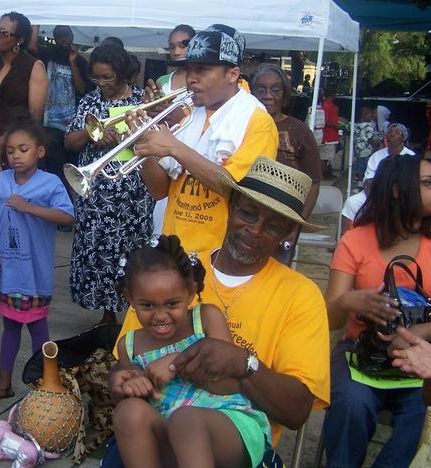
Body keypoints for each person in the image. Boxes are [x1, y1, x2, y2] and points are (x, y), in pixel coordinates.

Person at [103, 158, 330, 467]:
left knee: (187, 422)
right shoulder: (175, 271)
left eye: (273, 225)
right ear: (231, 204)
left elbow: (297, 412)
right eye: (248, 212)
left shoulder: (300, 295)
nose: (254, 230)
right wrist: (121, 378)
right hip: (157, 429)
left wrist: (243, 363)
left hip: (227, 442)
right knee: (128, 417)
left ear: (288, 232)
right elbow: (131, 353)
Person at [112, 234, 271, 468]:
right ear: (130, 298)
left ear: (190, 292)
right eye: (147, 305)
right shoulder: (129, 344)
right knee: (128, 412)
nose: (160, 315)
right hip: (169, 434)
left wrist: (178, 362)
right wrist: (127, 384)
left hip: (227, 426)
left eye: (172, 304)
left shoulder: (206, 318)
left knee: (185, 421)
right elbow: (130, 399)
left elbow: (230, 385)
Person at [322, 154, 431, 467]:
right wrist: (348, 301)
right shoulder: (355, 241)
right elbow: (330, 318)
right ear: (397, 189)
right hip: (359, 352)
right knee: (351, 404)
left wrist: (417, 333)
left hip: (421, 358)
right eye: (427, 183)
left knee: (420, 417)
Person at [133, 24, 278, 257]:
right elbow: (159, 191)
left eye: (202, 70)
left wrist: (173, 147)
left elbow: (236, 190)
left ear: (232, 74)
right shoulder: (191, 114)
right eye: (189, 70)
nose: (191, 79)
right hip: (174, 248)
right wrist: (144, 149)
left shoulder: (258, 122)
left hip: (218, 255)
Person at [0, 122, 74, 405]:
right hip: (7, 273)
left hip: (35, 275)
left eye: (23, 149)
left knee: (39, 329)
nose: (16, 156)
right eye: (10, 151)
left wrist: (29, 208)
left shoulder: (50, 183)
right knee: (10, 328)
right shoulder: (1, 182)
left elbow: (67, 217)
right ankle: (4, 384)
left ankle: (45, 386)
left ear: (39, 152)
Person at [65, 44, 154, 326]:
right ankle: (107, 314)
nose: (101, 84)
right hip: (98, 194)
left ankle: (133, 312)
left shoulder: (142, 100)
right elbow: (69, 141)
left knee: (131, 252)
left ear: (121, 73)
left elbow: (156, 138)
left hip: (134, 194)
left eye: (107, 77)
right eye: (97, 78)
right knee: (101, 252)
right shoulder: (90, 102)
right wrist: (92, 135)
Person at [0, 11, 49, 316]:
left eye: (3, 32)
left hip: (16, 153)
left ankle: (14, 288)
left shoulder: (34, 67)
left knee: (11, 219)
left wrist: (2, 143)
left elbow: (34, 115)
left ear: (18, 40)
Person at [251, 63, 321, 264]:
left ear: (285, 94)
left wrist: (296, 225)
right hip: (246, 216)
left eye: (275, 89)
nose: (268, 95)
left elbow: (314, 182)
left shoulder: (298, 130)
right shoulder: (242, 125)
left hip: (282, 221)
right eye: (261, 89)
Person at [144, 24, 196, 236]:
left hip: (190, 152)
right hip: (161, 157)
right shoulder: (163, 81)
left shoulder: (200, 80)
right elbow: (154, 119)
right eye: (172, 46)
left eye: (183, 45)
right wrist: (148, 106)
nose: (176, 51)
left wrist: (177, 115)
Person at [28, 25, 90, 198]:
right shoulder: (48, 54)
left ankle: (70, 207)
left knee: (73, 169)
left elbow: (82, 89)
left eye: (66, 36)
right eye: (59, 36)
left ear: (71, 36)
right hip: (49, 123)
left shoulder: (80, 61)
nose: (64, 39)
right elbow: (32, 46)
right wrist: (38, 20)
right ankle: (58, 205)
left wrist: (73, 63)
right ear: (54, 38)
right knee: (55, 168)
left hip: (72, 125)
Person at [341, 123, 415, 232]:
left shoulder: (411, 157)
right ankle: (344, 237)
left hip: (400, 197)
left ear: (403, 138)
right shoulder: (377, 156)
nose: (391, 135)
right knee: (351, 202)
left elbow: (411, 184)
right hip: (375, 194)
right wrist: (377, 199)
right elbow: (368, 182)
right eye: (389, 132)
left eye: (396, 133)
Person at [319, 84, 339, 178]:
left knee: (326, 157)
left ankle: (326, 172)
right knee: (324, 157)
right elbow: (325, 120)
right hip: (328, 135)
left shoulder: (327, 105)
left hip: (331, 135)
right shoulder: (327, 105)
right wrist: (335, 125)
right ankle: (321, 174)